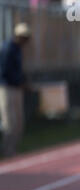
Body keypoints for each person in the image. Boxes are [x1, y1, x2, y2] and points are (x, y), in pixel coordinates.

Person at [0, 23, 32, 157]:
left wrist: (24, 82)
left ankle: (12, 149)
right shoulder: (7, 48)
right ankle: (6, 150)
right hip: (6, 87)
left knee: (19, 121)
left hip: (16, 88)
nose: (26, 41)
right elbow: (4, 71)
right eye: (24, 37)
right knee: (9, 121)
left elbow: (18, 70)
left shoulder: (18, 49)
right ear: (18, 36)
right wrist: (18, 82)